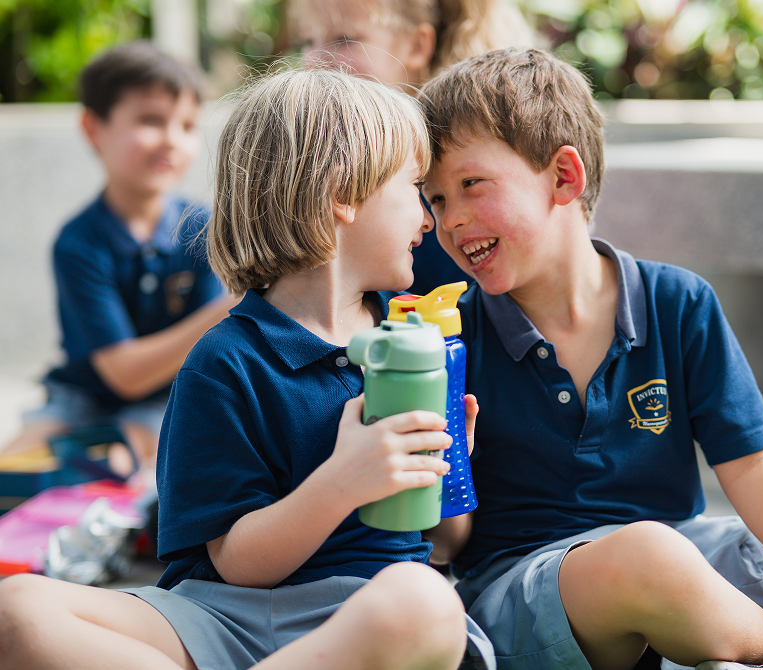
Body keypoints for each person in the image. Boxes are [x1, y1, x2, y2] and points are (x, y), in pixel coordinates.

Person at [417, 47, 763, 670]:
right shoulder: (447, 337)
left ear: (564, 178)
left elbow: (752, 469)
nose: (452, 219)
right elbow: (448, 545)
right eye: (436, 200)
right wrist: (443, 474)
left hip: (688, 560)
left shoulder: (678, 301)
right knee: (649, 557)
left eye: (470, 184)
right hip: (534, 584)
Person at [0, 67, 496, 670]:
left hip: (366, 608)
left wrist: (449, 473)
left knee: (425, 601)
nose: (428, 218)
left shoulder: (414, 341)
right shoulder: (225, 361)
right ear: (343, 191)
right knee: (18, 606)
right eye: (413, 188)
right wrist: (343, 480)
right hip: (226, 616)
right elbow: (236, 563)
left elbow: (444, 545)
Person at [0, 41, 235, 475]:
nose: (171, 140)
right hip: (82, 397)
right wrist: (230, 308)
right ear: (93, 128)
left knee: (120, 457)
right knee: (14, 463)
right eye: (150, 120)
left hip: (168, 397)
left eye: (185, 125)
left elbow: (206, 355)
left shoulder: (202, 227)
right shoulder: (79, 242)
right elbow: (123, 373)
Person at [294, 0, 536, 294]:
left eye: (345, 39)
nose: (314, 61)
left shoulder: (452, 171)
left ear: (417, 46)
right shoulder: (320, 159)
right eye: (307, 40)